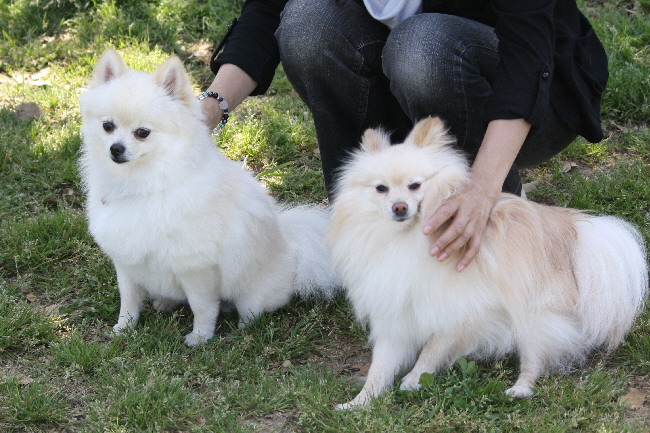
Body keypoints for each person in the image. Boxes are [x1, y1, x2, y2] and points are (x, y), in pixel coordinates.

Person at [200, 0, 608, 271]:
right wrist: (208, 110)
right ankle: (369, 239)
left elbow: (528, 56)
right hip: (405, 81)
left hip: (533, 99)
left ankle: (492, 225)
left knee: (422, 47)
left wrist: (483, 186)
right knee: (307, 22)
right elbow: (268, 11)